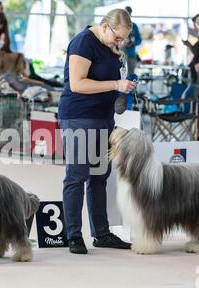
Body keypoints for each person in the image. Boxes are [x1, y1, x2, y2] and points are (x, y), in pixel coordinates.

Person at [58, 8, 136, 254]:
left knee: (99, 176)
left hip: (103, 117)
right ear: (104, 26)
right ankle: (73, 235)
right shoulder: (83, 42)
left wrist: (121, 90)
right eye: (117, 37)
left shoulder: (109, 46)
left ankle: (101, 234)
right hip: (79, 116)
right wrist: (115, 84)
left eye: (123, 39)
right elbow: (77, 83)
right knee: (77, 175)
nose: (120, 42)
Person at [120, 6, 142, 75]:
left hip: (131, 54)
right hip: (120, 53)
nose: (127, 15)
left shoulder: (134, 26)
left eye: (129, 13)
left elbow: (139, 40)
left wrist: (132, 43)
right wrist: (121, 43)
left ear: (130, 14)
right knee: (120, 73)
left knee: (131, 75)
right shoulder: (119, 25)